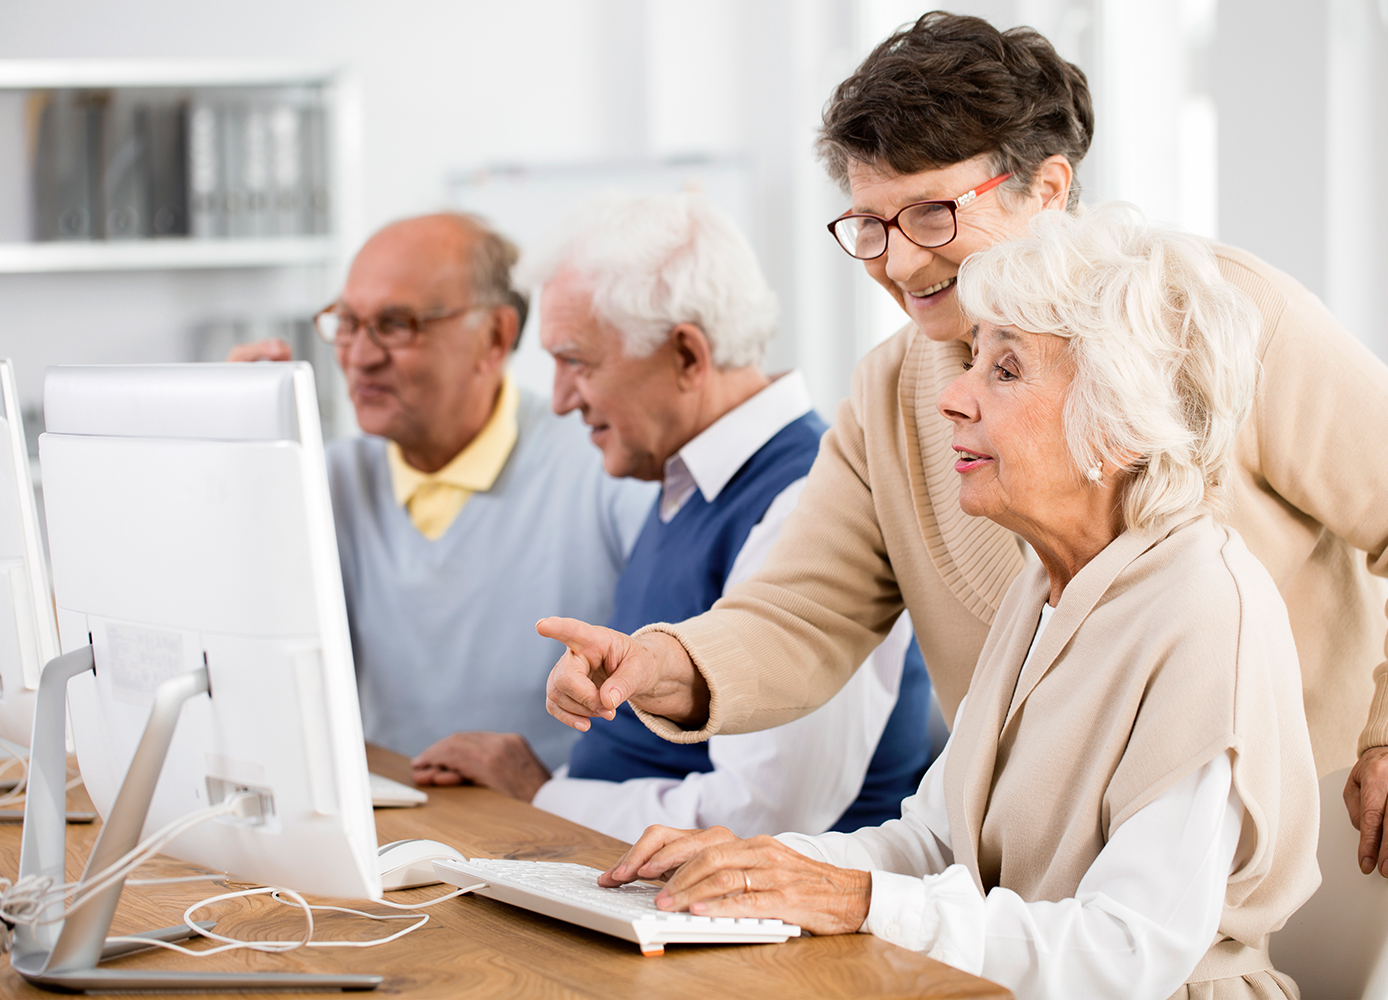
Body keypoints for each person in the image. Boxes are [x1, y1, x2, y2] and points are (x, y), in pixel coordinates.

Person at [541, 11, 1388, 874]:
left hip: (1289, 826)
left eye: (933, 214)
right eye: (870, 224)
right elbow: (801, 614)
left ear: (1048, 189)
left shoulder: (1221, 318)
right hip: (1041, 864)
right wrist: (653, 661)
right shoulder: (888, 395)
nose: (901, 265)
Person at [594, 205, 1321, 999]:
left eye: (1004, 371)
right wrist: (761, 866)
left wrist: (858, 901)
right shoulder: (1046, 586)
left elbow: (1127, 950)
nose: (952, 398)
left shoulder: (1205, 606)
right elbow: (936, 843)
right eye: (972, 360)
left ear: (1122, 424)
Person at [411, 194, 934, 841]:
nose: (562, 399)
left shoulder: (806, 500)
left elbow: (756, 818)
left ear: (687, 355)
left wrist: (539, 793)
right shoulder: (685, 481)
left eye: (577, 361)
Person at [228, 213, 653, 767]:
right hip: (387, 824)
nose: (359, 356)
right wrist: (235, 471)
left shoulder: (605, 464)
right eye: (348, 323)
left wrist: (554, 792)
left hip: (555, 827)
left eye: (397, 324)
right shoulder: (322, 478)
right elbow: (239, 662)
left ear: (495, 337)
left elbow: (673, 694)